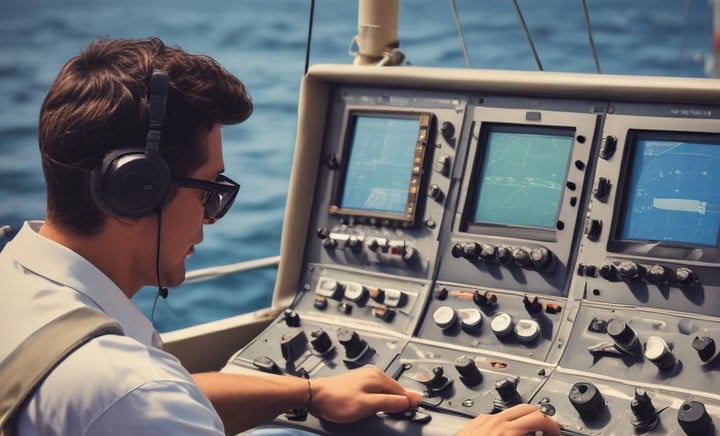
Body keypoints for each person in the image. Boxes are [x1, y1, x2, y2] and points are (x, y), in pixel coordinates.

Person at [0, 37, 560, 436]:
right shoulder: (125, 390)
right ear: (136, 191)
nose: (211, 219)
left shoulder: (18, 284)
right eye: (210, 190)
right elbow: (144, 401)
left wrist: (308, 392)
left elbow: (172, 400)